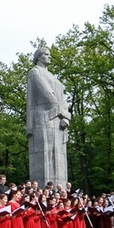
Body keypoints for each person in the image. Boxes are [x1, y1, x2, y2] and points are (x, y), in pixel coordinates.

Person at [27, 47, 71, 187]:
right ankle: (46, 190)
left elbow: (62, 99)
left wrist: (66, 117)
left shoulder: (53, 76)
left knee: (58, 156)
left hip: (58, 119)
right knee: (46, 154)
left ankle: (61, 192)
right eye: (46, 54)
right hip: (44, 118)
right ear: (39, 57)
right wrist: (63, 113)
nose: (49, 57)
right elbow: (48, 96)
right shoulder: (35, 73)